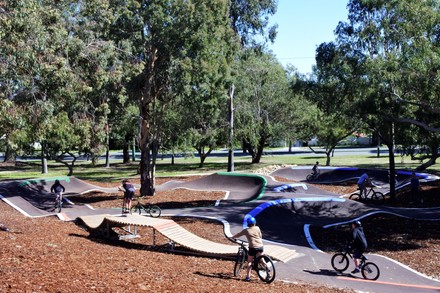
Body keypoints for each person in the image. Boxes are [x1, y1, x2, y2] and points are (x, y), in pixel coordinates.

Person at [232, 216, 265, 282]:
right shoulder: (257, 228)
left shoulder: (246, 230)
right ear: (254, 223)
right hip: (260, 246)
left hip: (252, 247)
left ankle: (248, 277)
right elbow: (260, 236)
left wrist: (233, 237)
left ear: (248, 224)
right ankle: (267, 271)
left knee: (249, 261)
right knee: (262, 259)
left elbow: (238, 234)